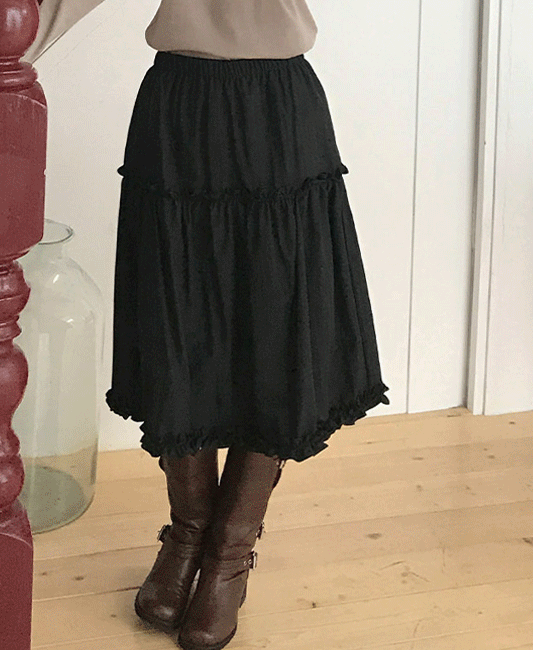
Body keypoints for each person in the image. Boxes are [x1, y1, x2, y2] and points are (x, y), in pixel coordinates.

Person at [102, 2, 391, 650]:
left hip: (278, 106)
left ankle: (230, 550)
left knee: (277, 324)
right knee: (177, 319)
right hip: (178, 107)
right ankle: (188, 532)